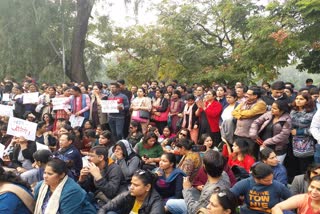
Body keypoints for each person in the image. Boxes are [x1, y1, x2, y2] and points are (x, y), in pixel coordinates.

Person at [166, 150, 230, 214]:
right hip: (205, 200)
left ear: (204, 166)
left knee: (170, 203)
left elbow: (194, 210)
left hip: (203, 208)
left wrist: (186, 189)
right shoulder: (224, 174)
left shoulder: (210, 191)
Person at [97, 169, 165, 214]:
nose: (131, 187)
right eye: (131, 183)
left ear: (147, 187)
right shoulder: (128, 195)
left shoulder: (156, 202)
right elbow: (104, 208)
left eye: (136, 185)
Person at [249, 99, 291, 164]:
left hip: (278, 148)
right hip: (263, 144)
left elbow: (284, 135)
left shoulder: (287, 119)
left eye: (275, 108)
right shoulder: (269, 114)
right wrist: (253, 133)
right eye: (272, 107)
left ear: (282, 110)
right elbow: (256, 122)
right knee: (262, 165)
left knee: (275, 165)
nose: (272, 109)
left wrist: (267, 142)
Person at [286, 92, 316, 180]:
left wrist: (300, 131)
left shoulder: (313, 113)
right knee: (294, 165)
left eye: (301, 99)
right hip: (293, 141)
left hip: (307, 143)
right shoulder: (293, 111)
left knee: (305, 166)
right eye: (297, 99)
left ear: (307, 101)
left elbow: (315, 129)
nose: (298, 101)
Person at [232, 86, 267, 159]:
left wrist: (240, 113)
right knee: (237, 154)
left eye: (249, 94)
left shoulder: (261, 104)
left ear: (255, 96)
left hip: (249, 136)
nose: (246, 95)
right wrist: (242, 114)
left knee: (249, 156)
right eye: (246, 93)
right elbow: (234, 112)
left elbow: (250, 113)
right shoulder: (244, 101)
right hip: (238, 133)